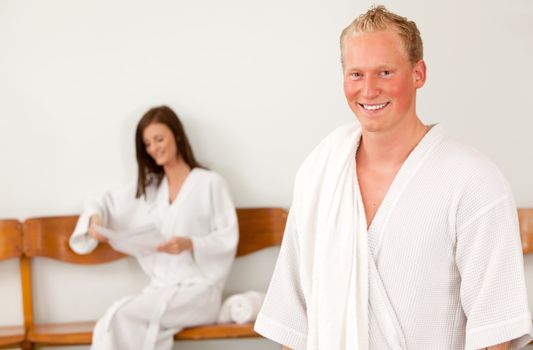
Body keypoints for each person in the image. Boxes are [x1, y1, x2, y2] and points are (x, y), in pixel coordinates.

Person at [254, 6, 532, 350]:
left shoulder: (473, 182)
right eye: (356, 74)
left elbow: (496, 333)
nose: (368, 90)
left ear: (419, 73)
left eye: (385, 72)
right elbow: (294, 323)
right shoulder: (319, 174)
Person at [69, 105, 238, 350]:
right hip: (161, 289)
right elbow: (100, 201)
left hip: (200, 293)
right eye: (147, 143)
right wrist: (95, 220)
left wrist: (190, 243)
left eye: (159, 139)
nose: (153, 148)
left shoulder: (210, 183)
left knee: (122, 316)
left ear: (177, 135)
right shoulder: (151, 191)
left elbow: (227, 237)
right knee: (113, 319)